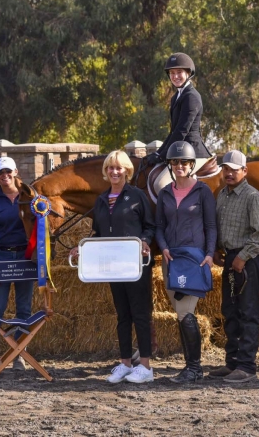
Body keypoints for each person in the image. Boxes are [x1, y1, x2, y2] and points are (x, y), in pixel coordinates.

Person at [71, 150, 156, 383]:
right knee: (122, 315)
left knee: (140, 314)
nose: (114, 171)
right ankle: (126, 363)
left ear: (127, 171)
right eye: (110, 168)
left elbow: (150, 227)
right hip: (113, 266)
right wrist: (83, 248)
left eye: (119, 168)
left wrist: (145, 242)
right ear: (106, 172)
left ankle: (146, 367)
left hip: (135, 264)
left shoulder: (138, 196)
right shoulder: (101, 200)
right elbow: (99, 234)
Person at [155, 141, 217, 383]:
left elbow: (211, 226)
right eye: (175, 162)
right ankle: (191, 366)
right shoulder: (164, 193)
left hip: (194, 259)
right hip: (171, 259)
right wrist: (164, 247)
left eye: (183, 162)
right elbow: (159, 227)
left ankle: (194, 368)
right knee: (180, 314)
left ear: (192, 165)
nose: (179, 165)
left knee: (186, 312)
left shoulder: (203, 192)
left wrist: (209, 254)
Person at [209, 150, 259, 384]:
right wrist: (216, 249)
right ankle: (232, 362)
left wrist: (242, 257)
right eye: (226, 169)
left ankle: (247, 366)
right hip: (231, 258)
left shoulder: (253, 197)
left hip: (248, 259)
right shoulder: (222, 195)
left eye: (234, 169)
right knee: (230, 311)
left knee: (247, 311)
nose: (229, 173)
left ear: (244, 171)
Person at [0, 157, 33, 374]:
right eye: (0, 173)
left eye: (8, 171)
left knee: (24, 309)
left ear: (16, 171)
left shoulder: (29, 197)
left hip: (25, 257)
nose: (5, 176)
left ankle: (19, 355)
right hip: (0, 256)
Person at [149, 53, 213, 193]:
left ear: (188, 73)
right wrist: (158, 152)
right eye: (172, 73)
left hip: (193, 151)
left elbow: (182, 131)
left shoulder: (192, 97)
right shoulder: (175, 97)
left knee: (161, 184)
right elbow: (173, 131)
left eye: (179, 72)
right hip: (180, 149)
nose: (175, 76)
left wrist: (163, 154)